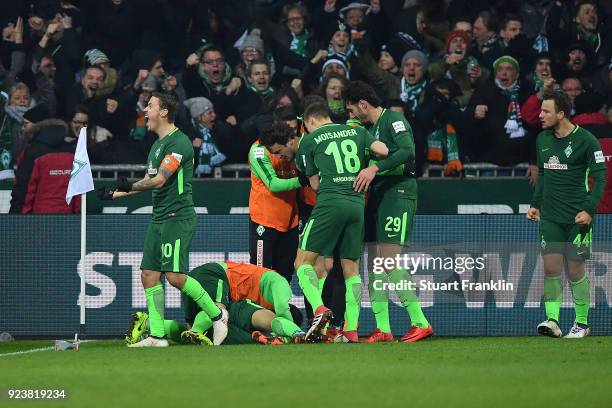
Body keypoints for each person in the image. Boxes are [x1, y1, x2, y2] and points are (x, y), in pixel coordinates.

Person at [98, 92, 228, 347]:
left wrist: (129, 184)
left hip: (178, 217)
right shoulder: (156, 146)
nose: (145, 110)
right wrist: (116, 193)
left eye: (150, 106)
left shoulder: (179, 142)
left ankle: (217, 316)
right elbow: (150, 184)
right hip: (159, 218)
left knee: (175, 277)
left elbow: (159, 180)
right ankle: (157, 336)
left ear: (164, 112)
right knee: (148, 273)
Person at [260, 103, 389, 343]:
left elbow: (315, 185)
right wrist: (370, 167)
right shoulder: (357, 131)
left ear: (308, 122)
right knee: (351, 269)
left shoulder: (309, 141)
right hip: (356, 204)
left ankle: (319, 309)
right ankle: (351, 328)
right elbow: (383, 150)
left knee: (302, 262)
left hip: (330, 203)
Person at [344, 80, 433, 343]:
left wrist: (375, 169)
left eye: (351, 111)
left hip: (399, 192)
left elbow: (407, 151)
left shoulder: (394, 120)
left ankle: (420, 321)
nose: (350, 116)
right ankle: (383, 327)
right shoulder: (366, 128)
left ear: (363, 105)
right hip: (377, 194)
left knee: (389, 260)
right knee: (374, 263)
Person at [527, 90, 606, 338]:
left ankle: (581, 323)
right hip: (550, 217)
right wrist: (535, 204)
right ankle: (553, 320)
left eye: (546, 111)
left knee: (575, 270)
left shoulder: (587, 140)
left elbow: (600, 177)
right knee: (551, 268)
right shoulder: (542, 139)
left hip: (577, 218)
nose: (540, 115)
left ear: (561, 114)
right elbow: (542, 173)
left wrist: (589, 210)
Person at [248, 116, 308, 281]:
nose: (279, 157)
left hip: (290, 222)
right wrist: (304, 180)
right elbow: (273, 185)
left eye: (279, 152)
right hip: (264, 221)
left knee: (285, 275)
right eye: (275, 153)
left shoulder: (298, 148)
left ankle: (281, 307)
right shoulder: (258, 151)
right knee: (261, 275)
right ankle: (261, 308)